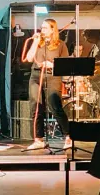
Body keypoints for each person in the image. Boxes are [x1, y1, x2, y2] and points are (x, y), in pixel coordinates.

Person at [22, 18, 72, 151]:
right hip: (36, 76)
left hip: (52, 76)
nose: (42, 30)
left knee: (54, 106)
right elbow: (28, 58)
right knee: (36, 107)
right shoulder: (38, 43)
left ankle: (68, 136)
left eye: (45, 28)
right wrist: (35, 42)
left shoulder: (60, 45)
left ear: (52, 29)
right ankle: (38, 139)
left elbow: (65, 65)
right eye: (41, 27)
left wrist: (52, 64)